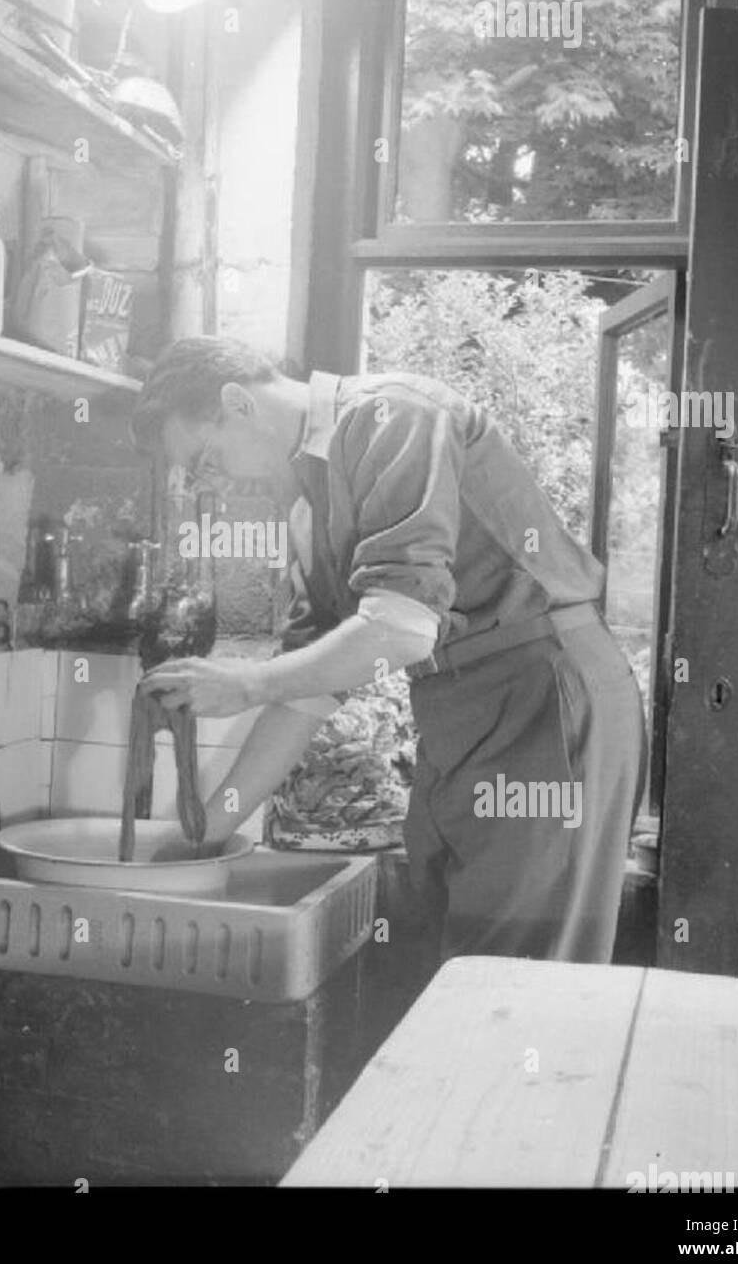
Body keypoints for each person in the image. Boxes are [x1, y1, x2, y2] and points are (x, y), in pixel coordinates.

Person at [133, 337, 646, 965]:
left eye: (208, 460)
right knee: (458, 954)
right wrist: (204, 835)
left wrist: (246, 683)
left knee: (520, 967)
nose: (219, 481)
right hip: (457, 710)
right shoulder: (305, 503)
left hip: (545, 693)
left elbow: (401, 628)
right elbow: (307, 695)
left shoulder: (393, 415)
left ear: (236, 403)